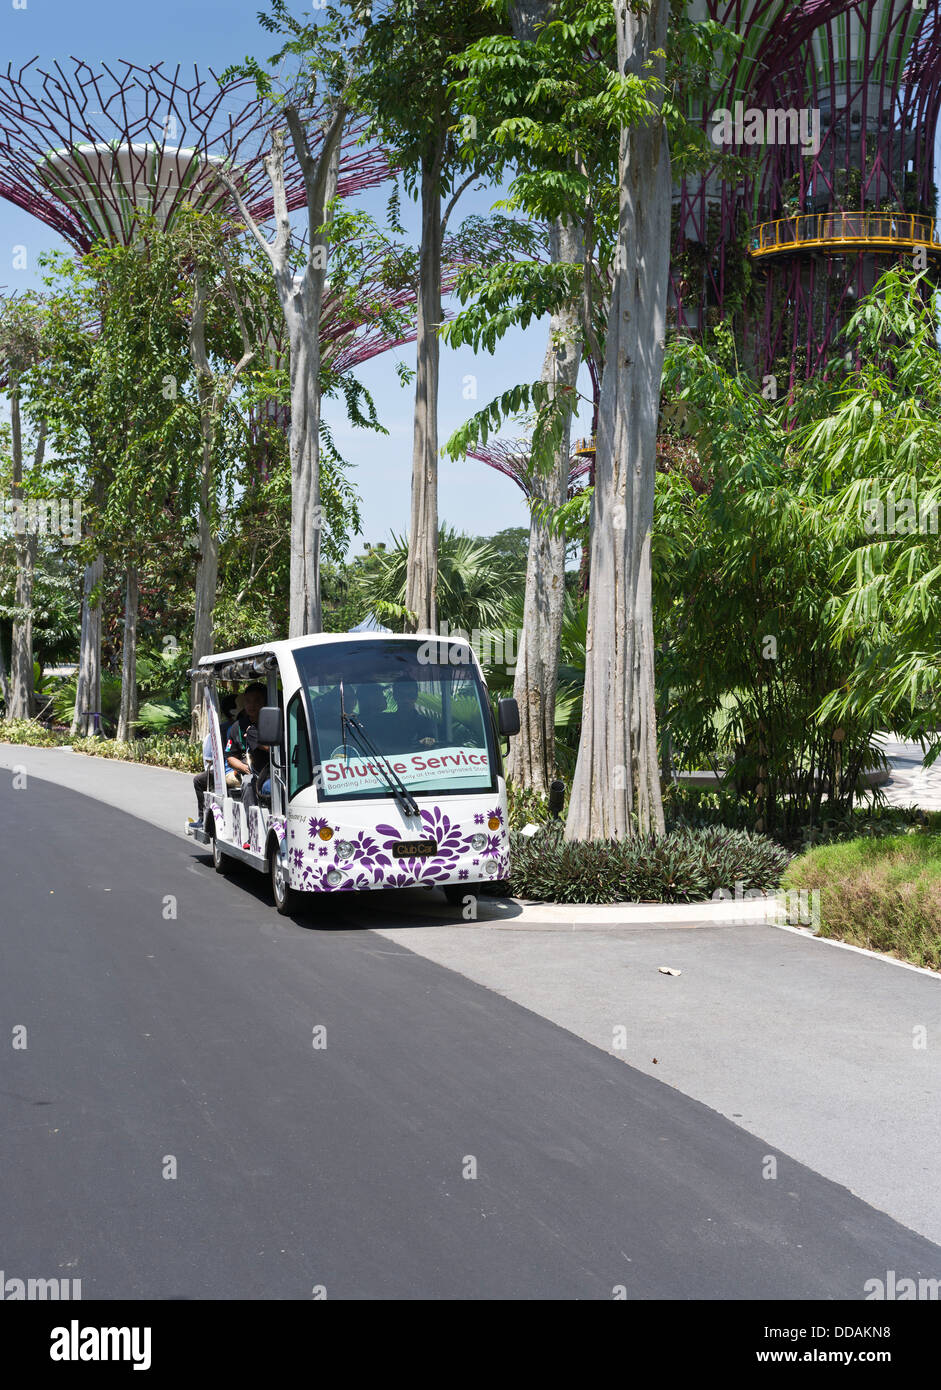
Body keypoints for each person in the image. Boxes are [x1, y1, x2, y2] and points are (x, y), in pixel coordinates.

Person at [192, 693, 239, 823]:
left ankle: (202, 818)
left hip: (229, 770)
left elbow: (208, 759)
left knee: (198, 780)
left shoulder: (222, 729)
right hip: (236, 768)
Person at [387, 678, 437, 750]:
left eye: (410, 695)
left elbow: (432, 747)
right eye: (401, 695)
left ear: (416, 697)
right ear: (395, 696)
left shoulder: (427, 723)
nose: (406, 700)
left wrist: (427, 742)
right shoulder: (385, 722)